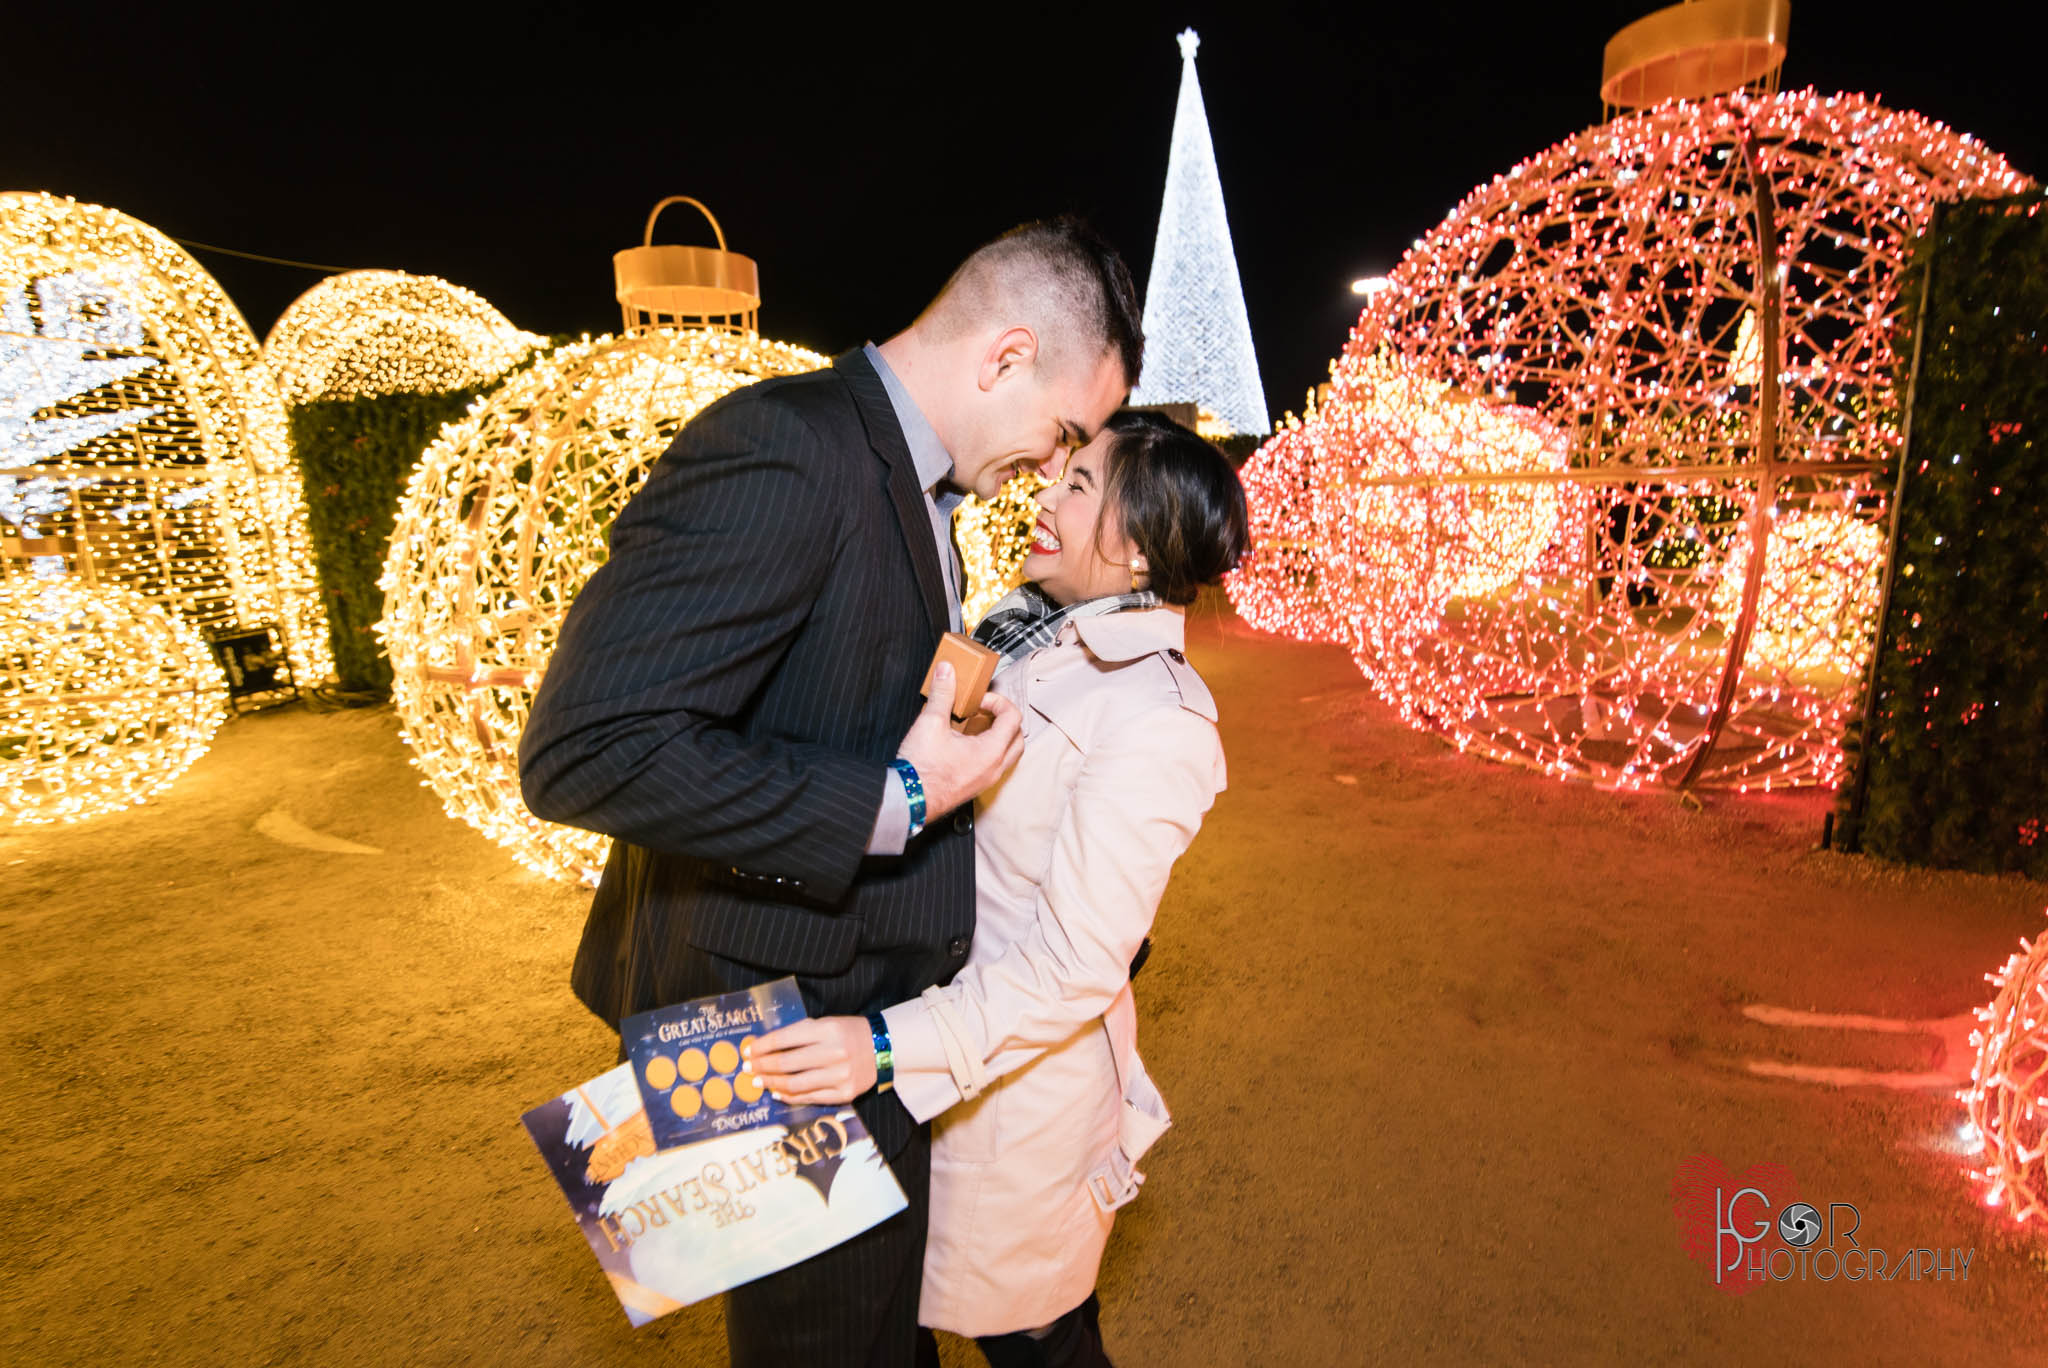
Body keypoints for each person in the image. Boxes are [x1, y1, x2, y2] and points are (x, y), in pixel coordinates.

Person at [518, 217, 1144, 1368]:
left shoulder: (910, 478)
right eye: (1062, 432)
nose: (1055, 470)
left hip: (851, 1015)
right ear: (1004, 355)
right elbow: (584, 749)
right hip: (768, 1034)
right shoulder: (787, 445)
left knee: (873, 1332)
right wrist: (897, 796)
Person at [750, 411, 1251, 1368]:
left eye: (1081, 486)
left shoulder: (1162, 720)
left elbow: (1073, 965)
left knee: (1032, 1333)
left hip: (1008, 1090)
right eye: (1057, 476)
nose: (1047, 498)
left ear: (1140, 548)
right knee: (883, 1309)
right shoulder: (1018, 630)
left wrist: (888, 1046)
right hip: (917, 1026)